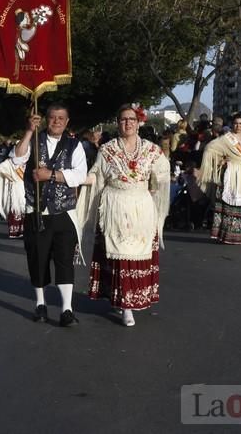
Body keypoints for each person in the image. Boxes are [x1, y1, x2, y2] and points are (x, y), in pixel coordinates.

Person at [78, 104, 170, 327]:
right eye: (122, 119)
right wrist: (68, 178)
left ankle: (133, 299)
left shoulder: (151, 149)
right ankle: (125, 305)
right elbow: (96, 176)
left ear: (138, 122)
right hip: (115, 204)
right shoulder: (107, 150)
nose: (127, 123)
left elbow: (163, 173)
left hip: (141, 206)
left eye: (131, 119)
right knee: (120, 255)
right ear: (118, 123)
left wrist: (152, 190)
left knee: (138, 253)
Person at [9, 104, 87, 327]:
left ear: (67, 121)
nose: (56, 122)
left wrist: (50, 175)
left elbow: (80, 174)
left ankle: (66, 309)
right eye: (52, 118)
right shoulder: (34, 140)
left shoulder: (75, 145)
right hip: (37, 211)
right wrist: (28, 131)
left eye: (61, 118)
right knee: (37, 258)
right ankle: (40, 304)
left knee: (64, 261)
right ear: (46, 120)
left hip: (64, 212)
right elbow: (16, 159)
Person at [198, 113, 241, 245]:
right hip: (232, 173)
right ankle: (226, 235)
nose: (238, 126)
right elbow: (210, 148)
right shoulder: (226, 139)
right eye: (236, 123)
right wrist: (221, 161)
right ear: (232, 124)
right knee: (228, 205)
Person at [0, 158, 26, 239]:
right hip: (15, 188)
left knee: (24, 208)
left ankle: (24, 230)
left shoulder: (27, 160)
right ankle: (15, 231)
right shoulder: (10, 162)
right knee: (15, 208)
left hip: (25, 187)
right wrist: (10, 177)